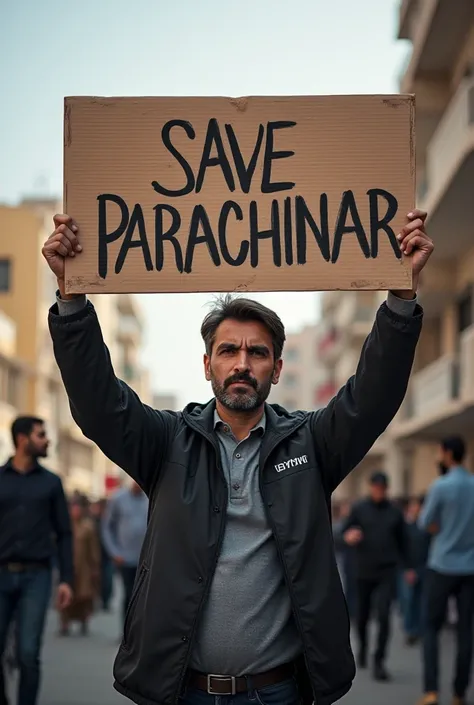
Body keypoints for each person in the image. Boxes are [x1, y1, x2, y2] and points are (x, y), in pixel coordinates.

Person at [42, 210, 432, 705]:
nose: (242, 364)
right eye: (228, 351)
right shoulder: (166, 442)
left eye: (258, 352)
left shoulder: (311, 444)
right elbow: (100, 404)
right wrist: (72, 301)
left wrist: (401, 299)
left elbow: (371, 398)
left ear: (277, 367)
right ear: (207, 365)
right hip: (185, 691)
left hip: (280, 692)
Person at [0, 416, 73, 705]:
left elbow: (64, 534)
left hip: (37, 576)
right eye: (41, 435)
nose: (47, 440)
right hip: (1, 574)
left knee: (28, 654)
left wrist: (66, 579)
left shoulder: (51, 483)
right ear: (22, 439)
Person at [417, 436, 474, 705]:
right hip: (470, 568)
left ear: (448, 454)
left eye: (440, 452)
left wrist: (441, 530)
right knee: (466, 632)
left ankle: (431, 691)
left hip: (441, 566)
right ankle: (459, 693)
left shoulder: (441, 486)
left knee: (431, 628)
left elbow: (425, 523)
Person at [342, 472, 415, 682]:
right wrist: (348, 536)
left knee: (384, 616)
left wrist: (409, 567)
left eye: (382, 487)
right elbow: (344, 531)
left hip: (387, 572)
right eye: (375, 487)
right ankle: (363, 647)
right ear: (370, 487)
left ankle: (379, 661)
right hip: (363, 570)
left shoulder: (395, 512)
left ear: (386, 489)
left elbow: (404, 541)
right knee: (362, 616)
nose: (378, 491)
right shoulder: (359, 509)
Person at [101, 481, 148, 628]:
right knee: (128, 594)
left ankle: (140, 631)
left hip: (146, 559)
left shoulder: (150, 498)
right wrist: (114, 552)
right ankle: (127, 631)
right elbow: (107, 527)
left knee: (144, 596)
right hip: (125, 558)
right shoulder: (118, 499)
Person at [58, 495, 100, 636]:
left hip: (84, 567)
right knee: (65, 596)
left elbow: (93, 548)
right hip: (67, 565)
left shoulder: (88, 527)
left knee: (83, 596)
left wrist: (95, 566)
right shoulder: (65, 526)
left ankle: (83, 620)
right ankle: (64, 624)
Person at [402, 495, 430, 645]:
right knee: (410, 601)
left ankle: (420, 629)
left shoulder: (426, 526)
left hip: (424, 567)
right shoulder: (407, 526)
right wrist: (408, 568)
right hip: (410, 568)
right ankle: (410, 630)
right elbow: (404, 549)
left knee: (422, 600)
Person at [90, 499, 114, 611]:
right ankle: (96, 600)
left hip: (107, 555)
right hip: (95, 556)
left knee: (108, 579)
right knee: (96, 580)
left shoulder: (109, 521)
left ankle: (105, 600)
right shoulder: (91, 521)